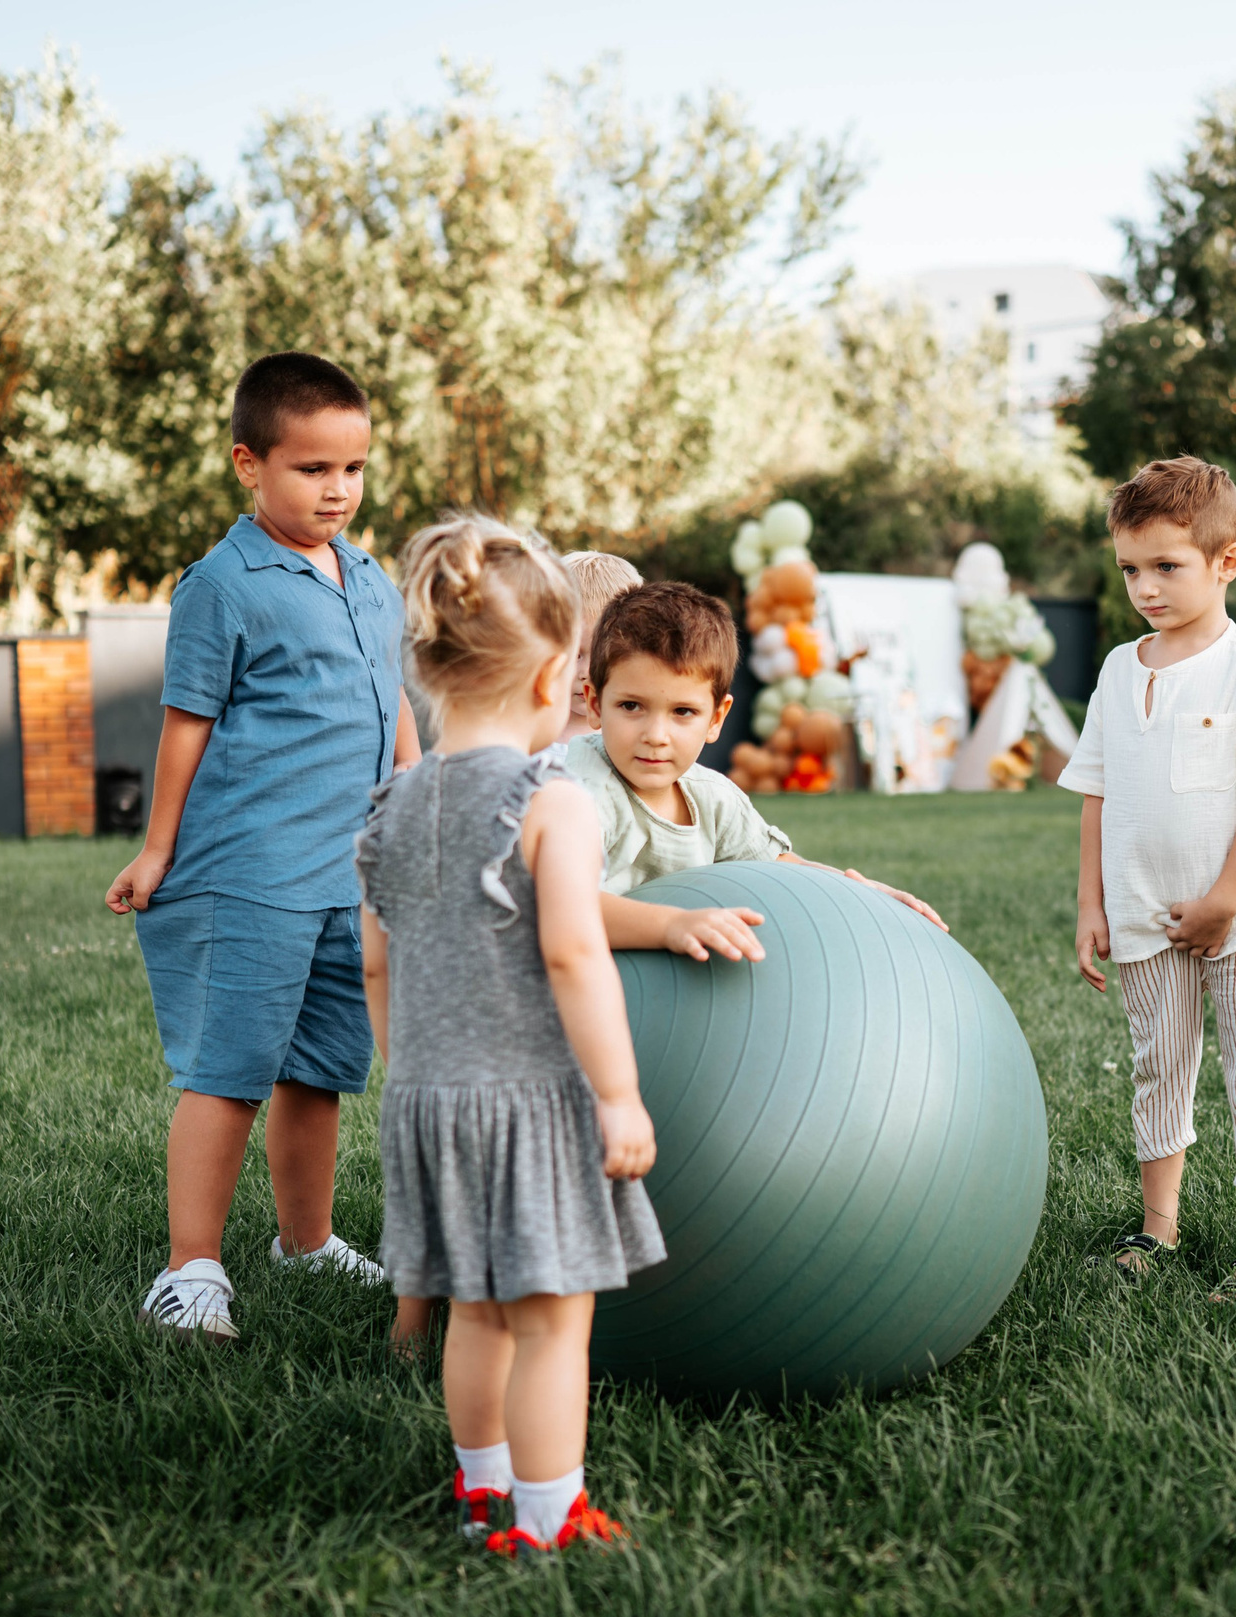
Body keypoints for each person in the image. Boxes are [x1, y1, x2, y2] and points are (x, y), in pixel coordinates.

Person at [354, 514, 664, 1556]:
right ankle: (548, 1513)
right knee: (551, 1321)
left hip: (428, 1101)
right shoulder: (551, 798)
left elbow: (375, 960)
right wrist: (617, 1094)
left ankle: (479, 1490)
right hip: (530, 1103)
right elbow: (577, 956)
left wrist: (412, 1070)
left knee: (475, 1311)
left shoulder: (388, 804)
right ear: (554, 682)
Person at [105, 352, 422, 1344]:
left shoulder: (370, 579)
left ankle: (307, 1237)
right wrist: (157, 849)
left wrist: (420, 807)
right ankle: (189, 1267)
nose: (337, 489)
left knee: (320, 1068)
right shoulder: (223, 583)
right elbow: (185, 721)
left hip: (349, 874)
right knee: (231, 1068)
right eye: (311, 468)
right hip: (250, 871)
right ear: (250, 464)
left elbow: (395, 704)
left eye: (353, 469)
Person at [1063, 456, 1236, 1304]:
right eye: (1131, 568)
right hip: (1141, 916)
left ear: (1225, 563)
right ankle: (1158, 1223)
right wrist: (1091, 903)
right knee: (1158, 1066)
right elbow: (1097, 793)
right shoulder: (1114, 671)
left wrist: (1223, 903)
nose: (1147, 587)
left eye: (1167, 566)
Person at [564, 581, 947, 933]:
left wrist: (854, 890)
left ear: (716, 719)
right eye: (632, 706)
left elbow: (779, 870)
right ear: (595, 704)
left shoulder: (712, 797)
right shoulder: (581, 792)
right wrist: (671, 925)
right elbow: (564, 908)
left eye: (683, 712)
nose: (656, 736)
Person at [553, 551, 645, 751]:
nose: (587, 671)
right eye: (574, 654)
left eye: (602, 654)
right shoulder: (528, 735)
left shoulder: (637, 739)